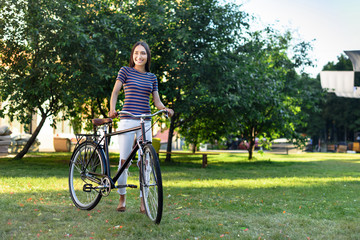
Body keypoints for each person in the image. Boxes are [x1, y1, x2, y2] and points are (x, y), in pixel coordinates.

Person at [109, 41, 174, 213]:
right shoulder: (125, 71)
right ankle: (122, 198)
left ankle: (143, 201)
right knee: (124, 160)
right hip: (127, 119)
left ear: (147, 56)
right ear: (132, 55)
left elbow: (157, 101)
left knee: (146, 161)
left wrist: (165, 109)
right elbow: (115, 92)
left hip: (145, 121)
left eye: (143, 53)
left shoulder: (152, 77)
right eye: (136, 53)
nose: (139, 56)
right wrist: (112, 109)